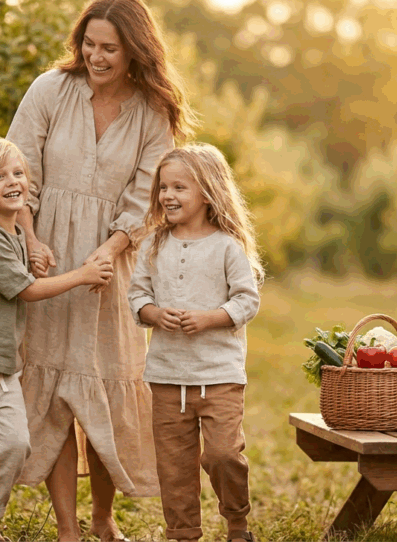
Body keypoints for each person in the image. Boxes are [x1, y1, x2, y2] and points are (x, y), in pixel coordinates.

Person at [5, 0, 197, 542]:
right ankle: (68, 528)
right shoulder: (50, 89)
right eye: (89, 44)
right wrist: (32, 240)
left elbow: (147, 194)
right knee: (55, 388)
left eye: (109, 47)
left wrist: (111, 250)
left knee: (105, 386)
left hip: (113, 263)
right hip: (45, 256)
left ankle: (103, 518)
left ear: (135, 50)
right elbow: (20, 169)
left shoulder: (152, 110)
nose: (97, 56)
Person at [0, 138, 113, 542]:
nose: (13, 182)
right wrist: (82, 275)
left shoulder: (12, 233)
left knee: (15, 445)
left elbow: (27, 276)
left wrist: (34, 249)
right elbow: (27, 291)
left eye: (18, 173)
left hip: (1, 364)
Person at [127, 143, 263, 542]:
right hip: (167, 376)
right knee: (174, 465)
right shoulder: (152, 245)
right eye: (164, 187)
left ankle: (237, 523)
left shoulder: (226, 245)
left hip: (219, 375)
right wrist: (154, 314)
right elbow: (137, 296)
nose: (168, 195)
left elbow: (247, 299)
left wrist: (209, 318)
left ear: (207, 192)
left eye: (180, 187)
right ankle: (182, 533)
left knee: (223, 455)